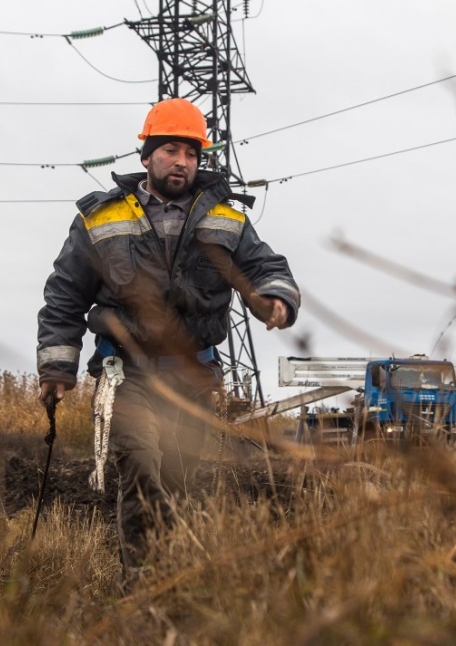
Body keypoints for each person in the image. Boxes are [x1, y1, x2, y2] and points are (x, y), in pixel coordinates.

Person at [36, 98, 300, 579]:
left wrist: (276, 298)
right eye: (171, 150)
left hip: (194, 377)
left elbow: (267, 266)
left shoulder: (227, 218)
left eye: (191, 153)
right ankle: (143, 582)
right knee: (141, 466)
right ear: (146, 157)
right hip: (126, 375)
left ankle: (173, 580)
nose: (182, 161)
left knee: (180, 484)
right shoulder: (100, 219)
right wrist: (57, 367)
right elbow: (65, 294)